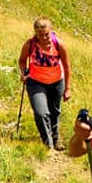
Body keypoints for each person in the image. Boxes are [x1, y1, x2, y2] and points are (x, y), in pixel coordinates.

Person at [18, 17, 71, 150]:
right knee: (41, 113)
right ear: (36, 33)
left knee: (55, 112)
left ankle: (56, 137)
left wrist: (68, 88)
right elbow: (22, 60)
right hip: (35, 82)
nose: (44, 37)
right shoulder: (30, 44)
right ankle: (48, 144)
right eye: (40, 35)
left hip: (57, 82)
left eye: (46, 34)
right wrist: (23, 73)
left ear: (51, 31)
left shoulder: (58, 44)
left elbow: (67, 66)